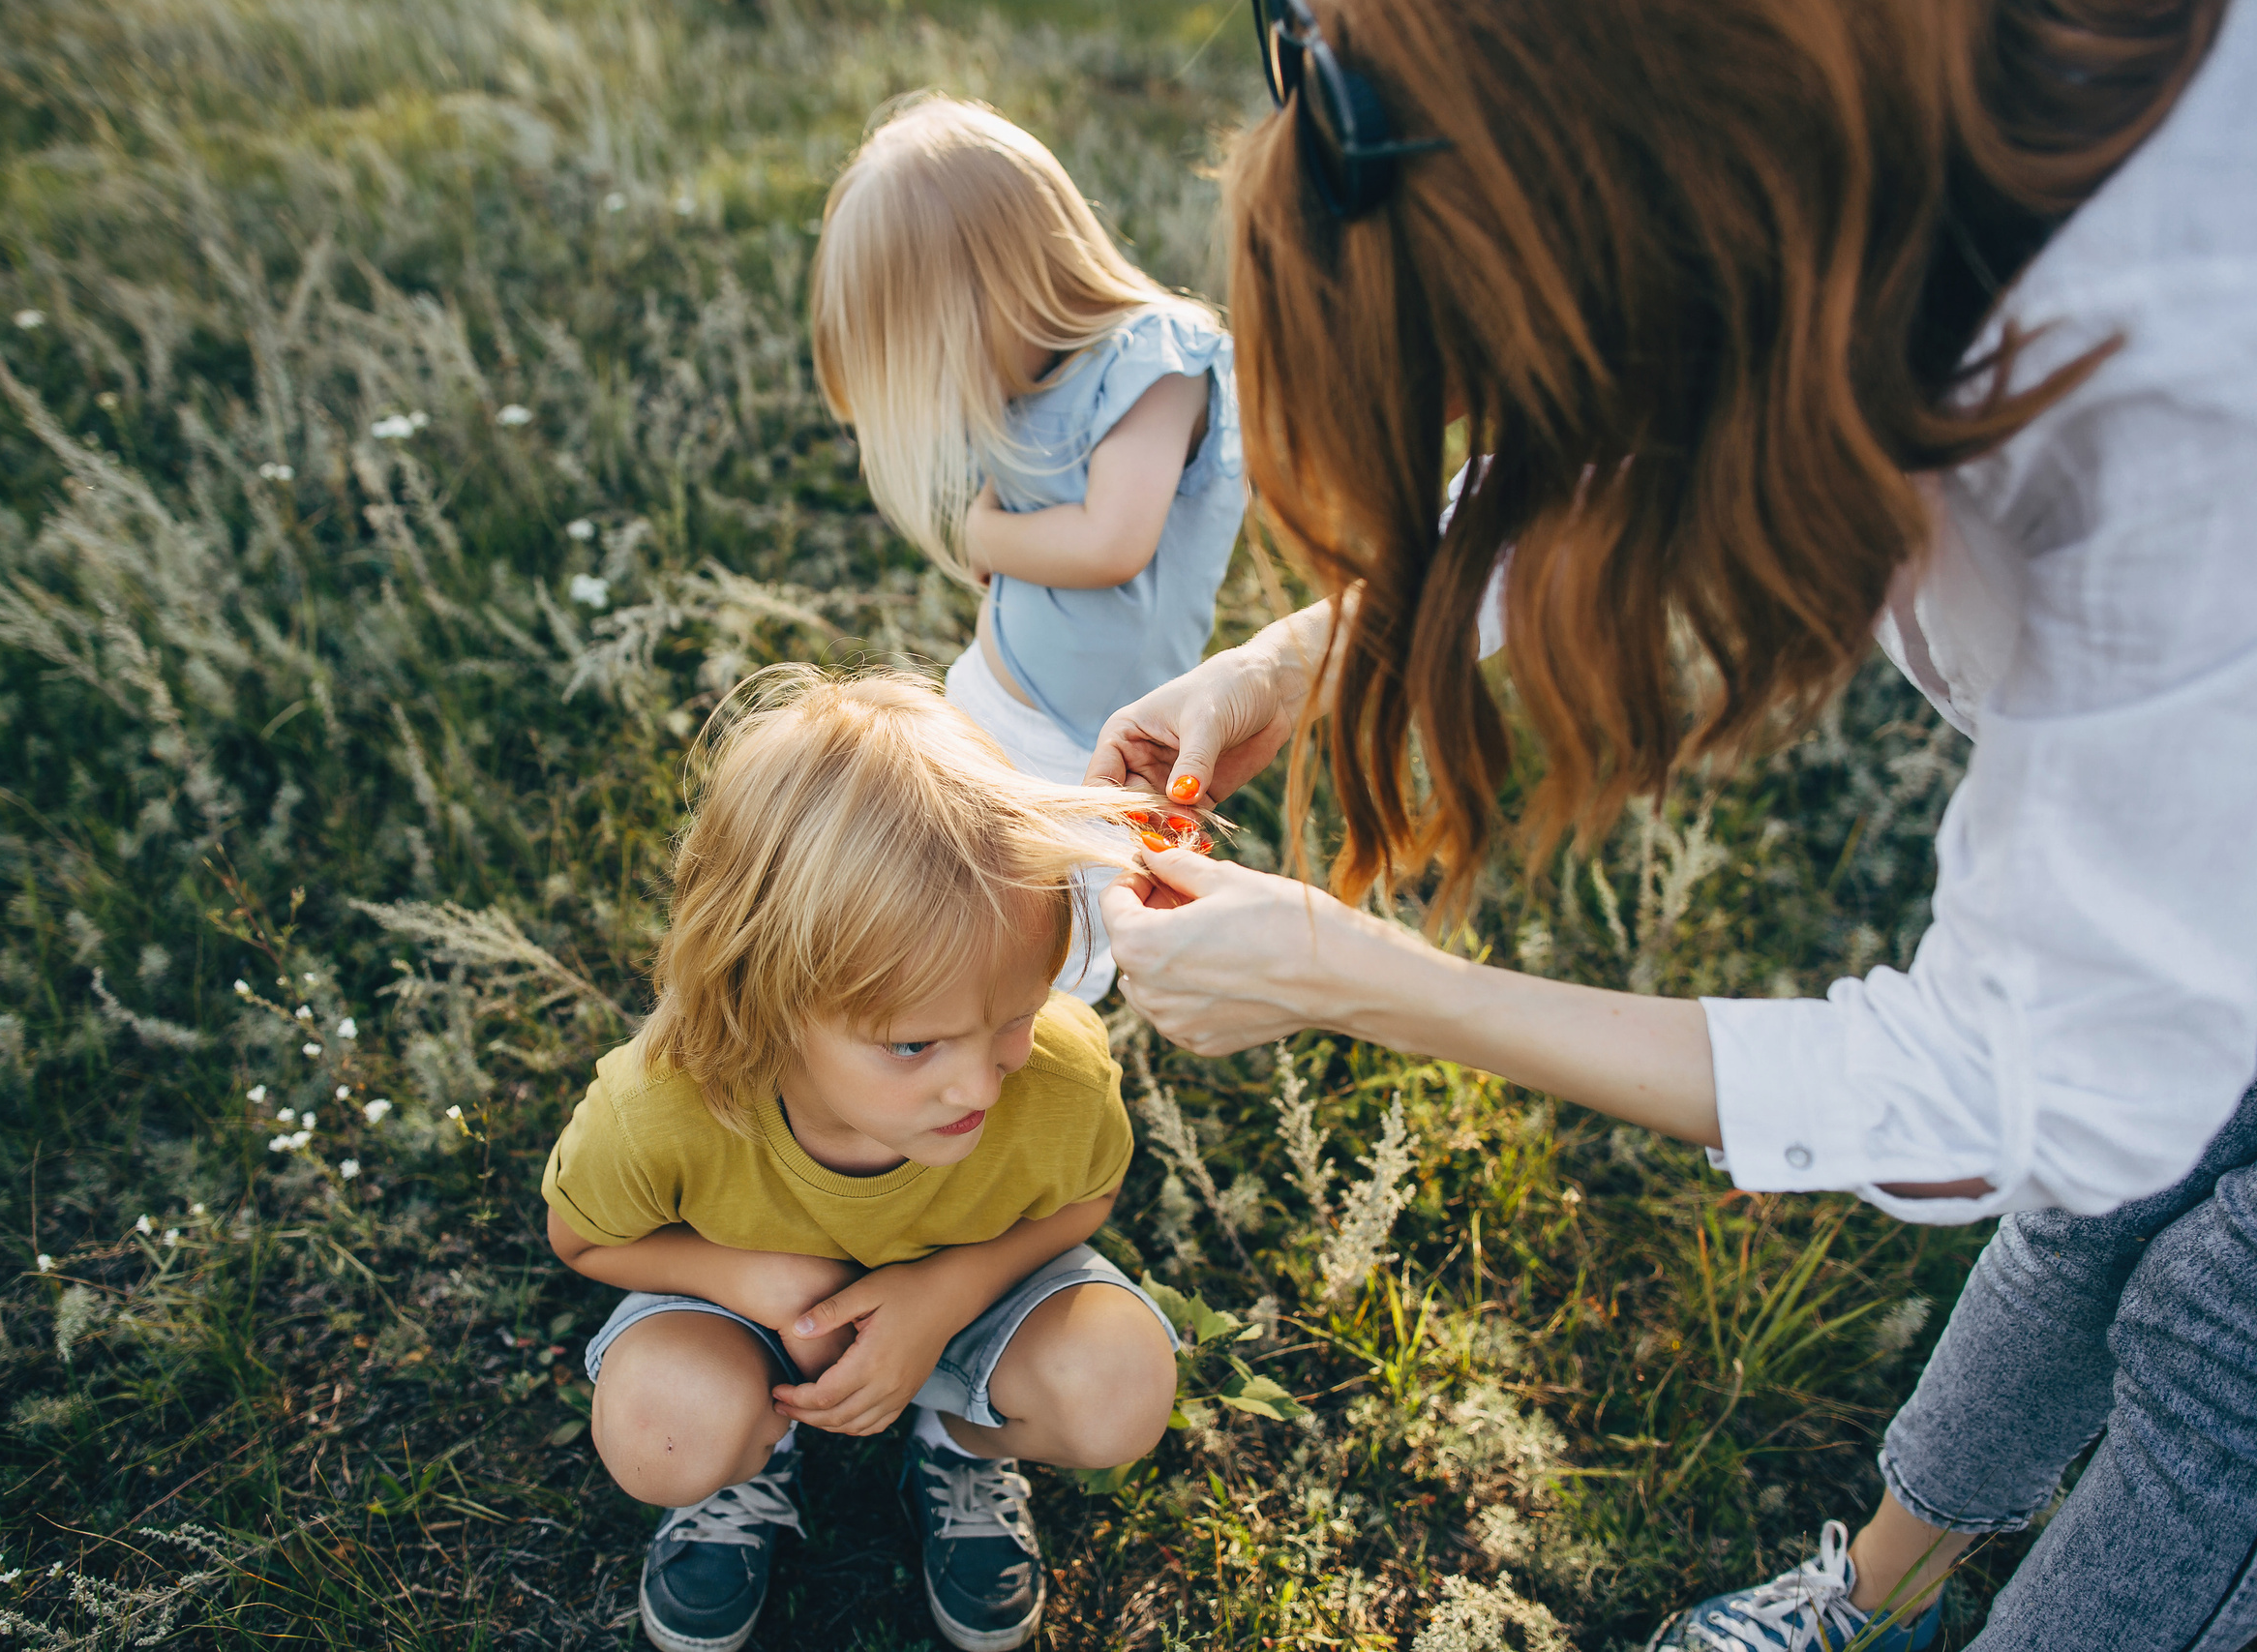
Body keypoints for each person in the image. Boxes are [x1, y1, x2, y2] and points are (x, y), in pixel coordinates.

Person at [1087, 1, 2257, 1649]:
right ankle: (1889, 1593)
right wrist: (1306, 654)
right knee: (2098, 1215)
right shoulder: (1811, 132)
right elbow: (1650, 391)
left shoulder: (2177, 384)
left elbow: (2001, 1086)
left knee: (2223, 1357)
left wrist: (1365, 979)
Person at [542, 667, 1179, 1652]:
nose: (977, 1085)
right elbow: (580, 1239)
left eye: (1012, 1017)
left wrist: (945, 1295)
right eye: (915, 1045)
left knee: (1118, 1390)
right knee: (663, 1434)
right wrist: (751, 1280)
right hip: (742, 1316)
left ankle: (959, 1438)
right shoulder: (664, 1103)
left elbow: (1081, 1205)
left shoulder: (1052, 1079)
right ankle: (744, 1469)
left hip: (981, 1300)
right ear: (766, 1000)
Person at [810, 93, 1247, 1003]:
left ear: (992, 292)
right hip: (997, 692)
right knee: (965, 883)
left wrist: (983, 534)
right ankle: (929, 1016)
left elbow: (1111, 541)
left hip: (1096, 739)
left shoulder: (1156, 362)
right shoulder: (1022, 373)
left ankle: (1032, 1057)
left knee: (1064, 930)